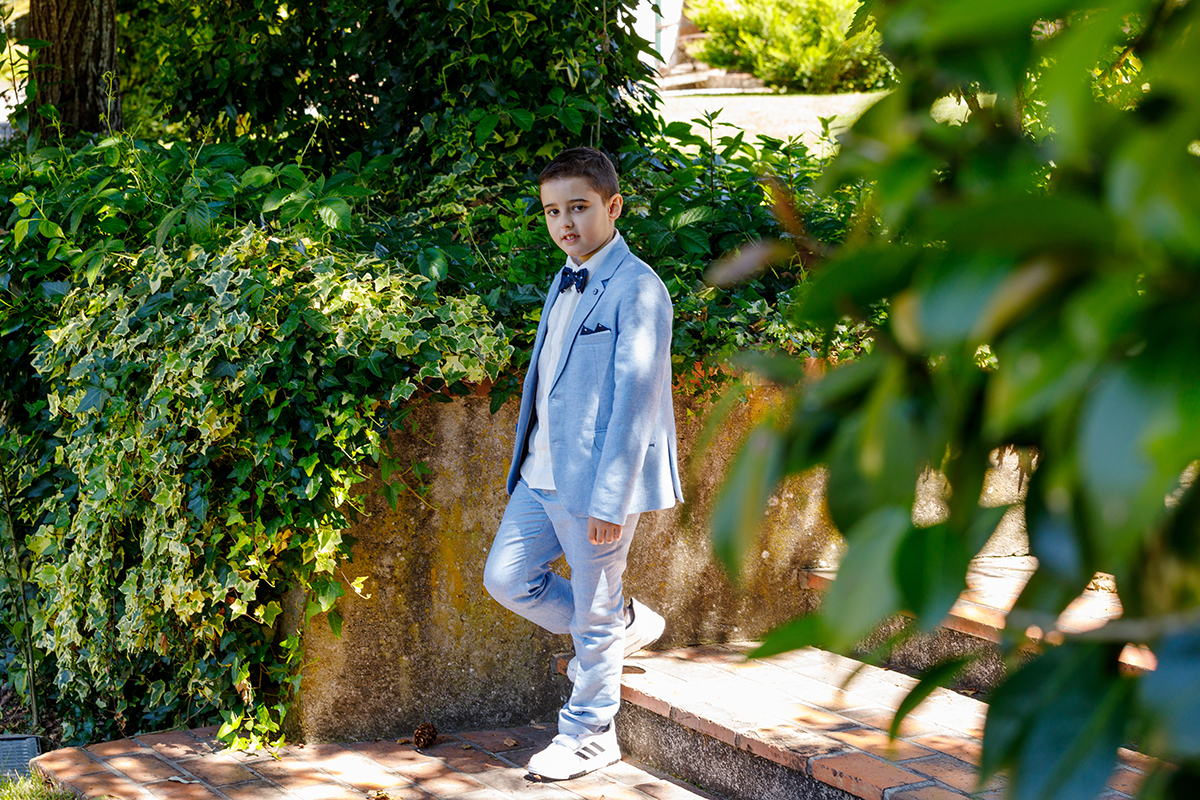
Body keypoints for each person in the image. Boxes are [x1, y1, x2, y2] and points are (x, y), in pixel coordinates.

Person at [483, 146, 683, 781]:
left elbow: (635, 402)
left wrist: (612, 499)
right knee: (508, 578)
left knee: (592, 614)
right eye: (552, 211)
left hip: (597, 482)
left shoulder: (638, 288)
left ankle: (592, 733)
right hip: (540, 473)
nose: (565, 223)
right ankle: (622, 622)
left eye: (578, 207)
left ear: (612, 206)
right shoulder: (566, 274)